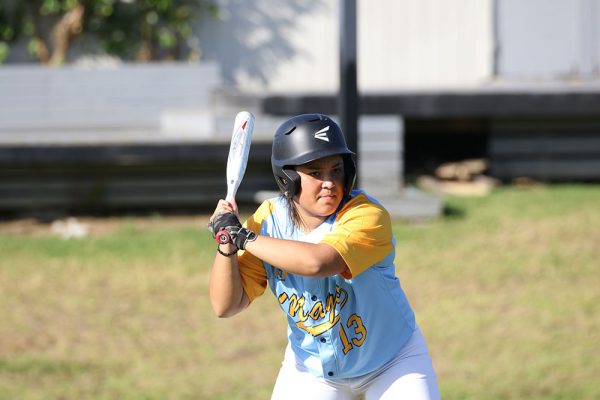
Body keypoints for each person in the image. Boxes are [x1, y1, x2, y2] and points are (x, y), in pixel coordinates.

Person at [208, 113, 440, 400]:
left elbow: (317, 262)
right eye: (315, 173)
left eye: (336, 169)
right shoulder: (268, 221)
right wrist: (227, 242)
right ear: (287, 179)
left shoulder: (367, 215)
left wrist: (243, 236)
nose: (329, 181)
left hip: (392, 363)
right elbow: (226, 304)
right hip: (311, 371)